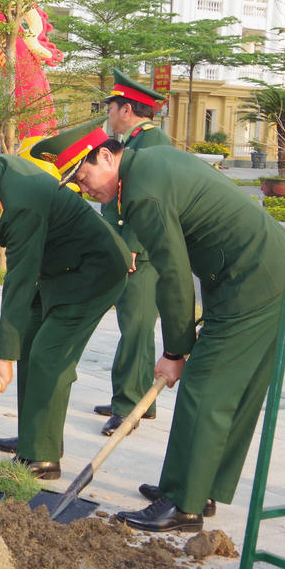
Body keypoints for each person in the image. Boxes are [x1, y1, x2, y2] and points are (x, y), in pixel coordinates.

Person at [58, 119, 285, 531]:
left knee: (206, 387)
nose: (86, 191)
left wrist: (176, 351)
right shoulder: (146, 164)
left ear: (106, 156)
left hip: (257, 280)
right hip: (249, 276)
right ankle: (189, 486)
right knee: (217, 388)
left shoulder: (142, 194)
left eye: (84, 178)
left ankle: (185, 504)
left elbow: (173, 277)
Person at [0, 130, 129, 479]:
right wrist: (13, 350)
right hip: (58, 267)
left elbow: (19, 278)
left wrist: (3, 357)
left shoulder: (20, 200)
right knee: (29, 342)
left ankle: (42, 458)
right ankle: (35, 436)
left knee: (49, 354)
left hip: (93, 270)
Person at [92, 69, 171, 436]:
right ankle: (139, 399)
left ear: (126, 110)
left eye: (112, 107)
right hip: (136, 248)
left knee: (136, 327)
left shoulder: (150, 146)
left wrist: (132, 248)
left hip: (141, 252)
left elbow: (148, 203)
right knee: (135, 325)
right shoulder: (141, 142)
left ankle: (128, 408)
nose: (108, 113)